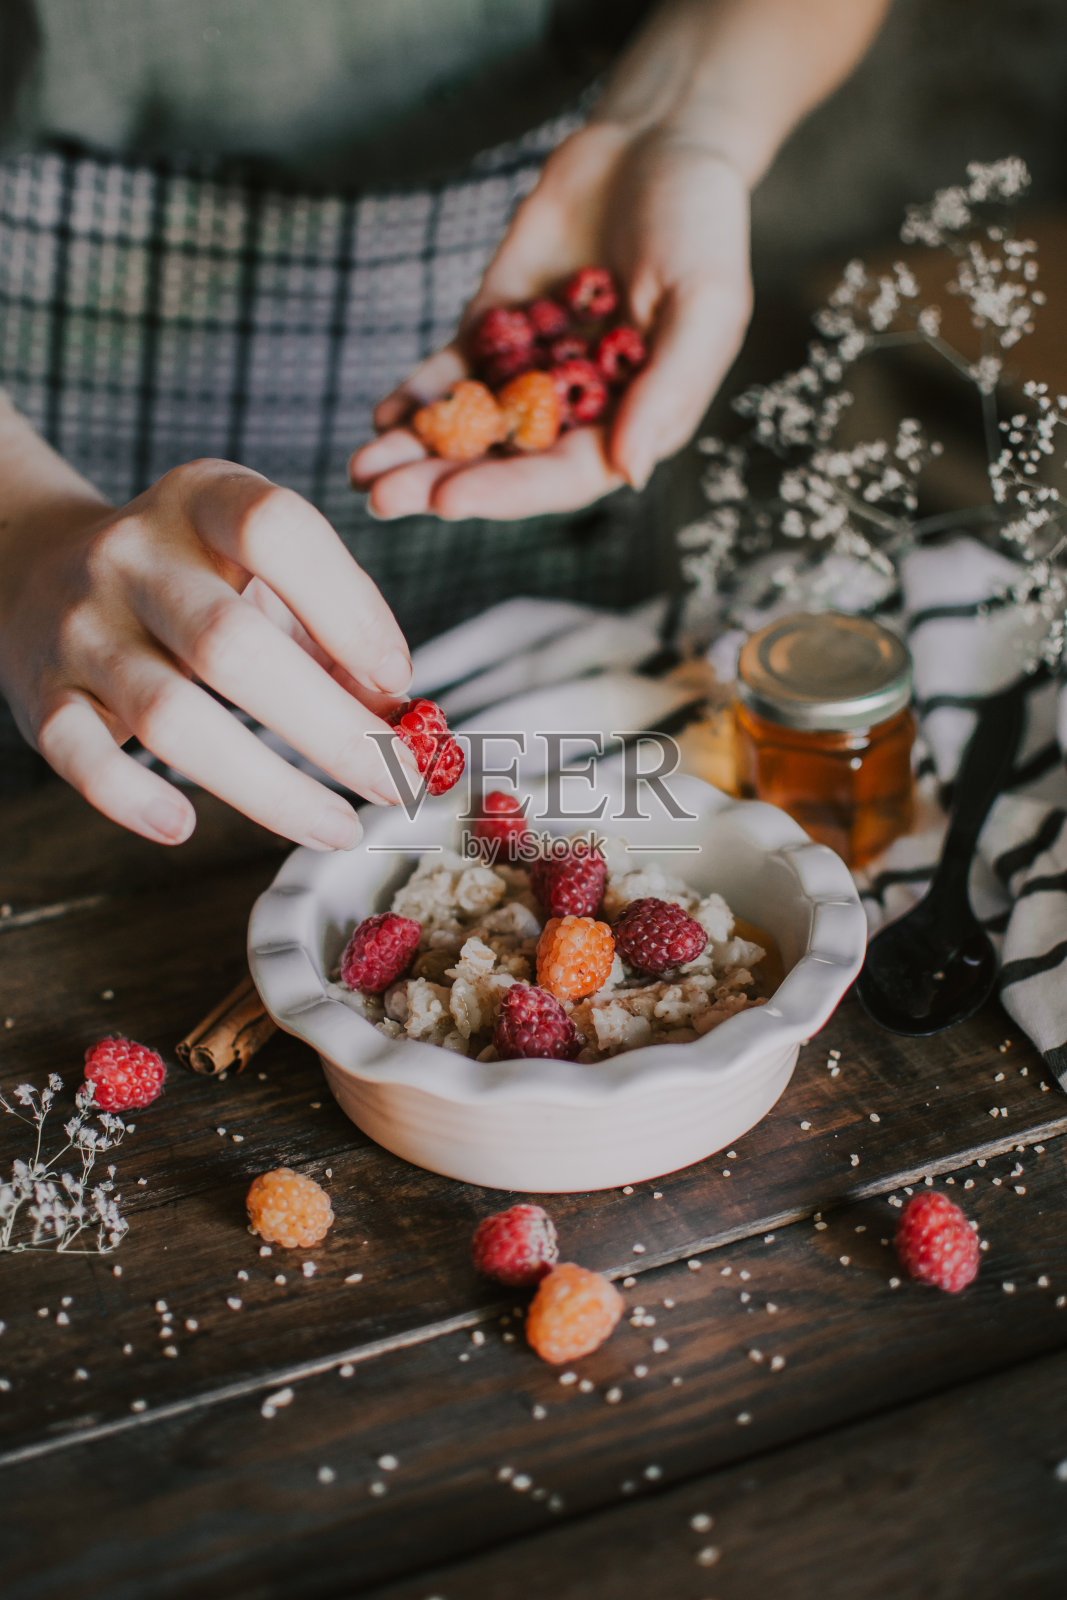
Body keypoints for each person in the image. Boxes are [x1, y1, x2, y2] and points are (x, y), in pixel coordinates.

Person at [0, 0, 890, 847]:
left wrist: (680, 120)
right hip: (63, 337)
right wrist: (28, 528)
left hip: (553, 227)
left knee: (547, 825)